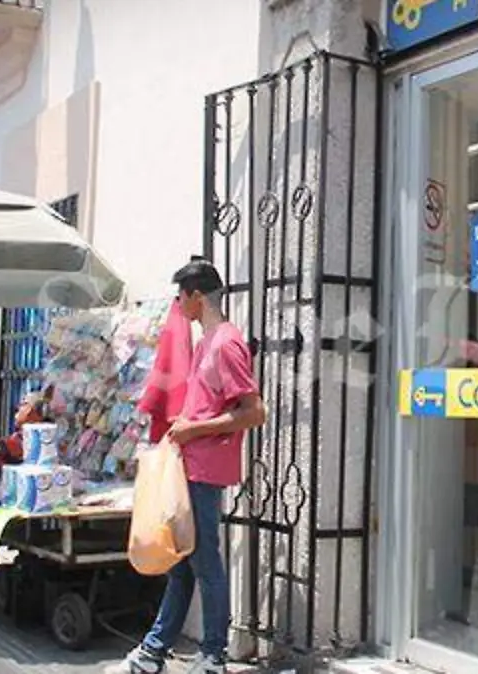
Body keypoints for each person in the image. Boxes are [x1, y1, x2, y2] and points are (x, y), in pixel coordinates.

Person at [111, 257, 265, 674]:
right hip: (190, 466)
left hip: (204, 470)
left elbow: (254, 412)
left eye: (181, 297)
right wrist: (186, 425)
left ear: (196, 296)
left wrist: (194, 429)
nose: (178, 306)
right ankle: (154, 653)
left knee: (203, 563)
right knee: (182, 564)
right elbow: (211, 406)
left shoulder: (226, 343)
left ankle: (213, 654)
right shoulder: (207, 342)